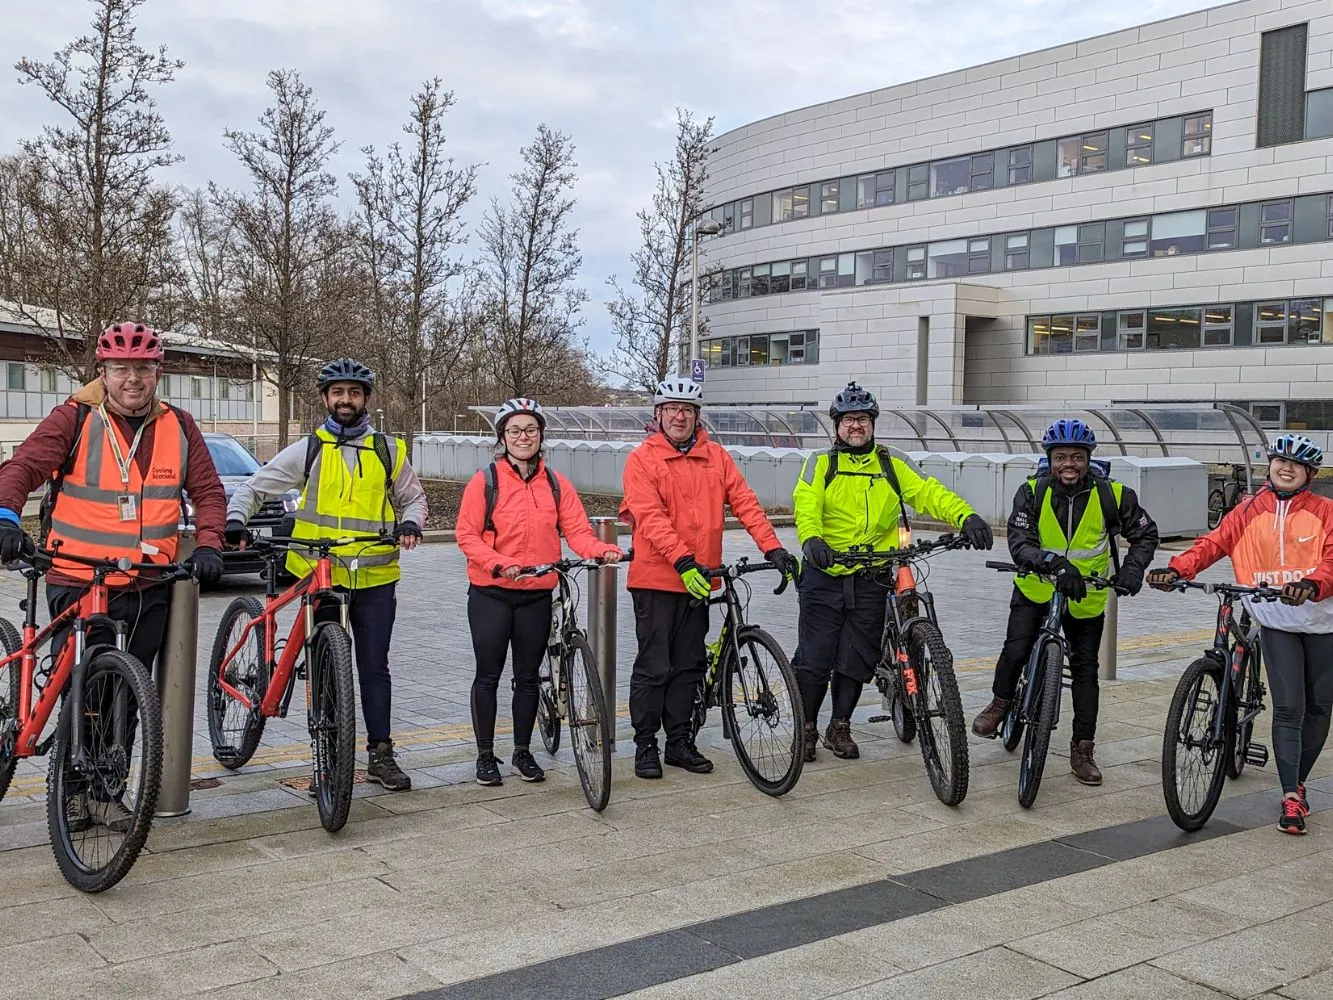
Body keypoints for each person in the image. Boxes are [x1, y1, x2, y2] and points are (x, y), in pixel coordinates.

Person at [0, 322, 227, 830]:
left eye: (143, 369)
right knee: (85, 689)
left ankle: (106, 793)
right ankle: (71, 792)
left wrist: (210, 543)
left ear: (157, 373)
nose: (132, 379)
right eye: (121, 368)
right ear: (102, 372)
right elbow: (22, 468)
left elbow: (209, 492)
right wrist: (7, 516)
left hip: (147, 582)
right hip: (78, 578)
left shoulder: (179, 426)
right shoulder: (75, 417)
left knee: (129, 693)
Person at [226, 358, 427, 793]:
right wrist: (236, 518)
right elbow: (255, 487)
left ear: (365, 399)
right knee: (325, 669)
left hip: (375, 576)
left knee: (374, 667)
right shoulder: (310, 449)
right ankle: (329, 760)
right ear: (325, 398)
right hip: (320, 575)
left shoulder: (388, 450)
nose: (345, 400)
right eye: (338, 393)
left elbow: (414, 498)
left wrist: (412, 522)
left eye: (354, 393)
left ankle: (380, 754)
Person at [793, 381, 994, 762]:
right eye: (849, 420)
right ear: (836, 425)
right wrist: (812, 539)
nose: (856, 426)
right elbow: (806, 504)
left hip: (872, 574)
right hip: (826, 571)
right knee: (815, 658)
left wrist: (966, 516)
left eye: (863, 419)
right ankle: (806, 727)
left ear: (873, 423)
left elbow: (929, 492)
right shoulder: (820, 463)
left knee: (856, 656)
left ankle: (839, 725)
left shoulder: (891, 462)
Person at [1149, 434, 1333, 834]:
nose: (1285, 468)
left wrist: (1313, 583)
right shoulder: (1248, 509)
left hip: (1323, 621)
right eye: (1280, 461)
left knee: (1320, 708)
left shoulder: (1325, 511)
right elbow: (1211, 543)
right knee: (1290, 709)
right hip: (1277, 620)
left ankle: (1300, 778)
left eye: (1296, 464)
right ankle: (1291, 795)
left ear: (1310, 474)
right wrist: (1177, 569)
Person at [619, 378, 798, 780]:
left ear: (698, 417)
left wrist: (773, 548)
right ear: (658, 415)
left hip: (700, 577)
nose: (679, 416)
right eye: (672, 409)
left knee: (689, 665)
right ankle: (645, 743)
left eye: (687, 410)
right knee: (654, 666)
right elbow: (649, 516)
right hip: (657, 578)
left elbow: (746, 503)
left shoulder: (715, 456)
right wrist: (682, 560)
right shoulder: (642, 459)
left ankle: (679, 742)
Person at [973, 418, 1158, 786]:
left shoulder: (1114, 495)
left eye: (1076, 457)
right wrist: (1054, 563)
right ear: (1050, 460)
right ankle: (1000, 703)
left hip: (1085, 597)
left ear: (1088, 459)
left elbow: (1145, 534)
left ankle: (1083, 748)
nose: (1068, 464)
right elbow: (1020, 543)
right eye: (1060, 457)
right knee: (1015, 650)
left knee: (1086, 672)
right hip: (1036, 588)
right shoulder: (1032, 492)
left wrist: (1133, 570)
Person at [455, 397, 624, 786]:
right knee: (488, 676)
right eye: (514, 430)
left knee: (529, 677)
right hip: (492, 593)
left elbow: (577, 530)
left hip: (536, 593)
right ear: (502, 437)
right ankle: (485, 756)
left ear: (541, 435)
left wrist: (600, 550)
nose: (523, 437)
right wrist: (499, 562)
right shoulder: (485, 482)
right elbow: (467, 535)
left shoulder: (555, 483)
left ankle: (522, 752)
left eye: (530, 430)